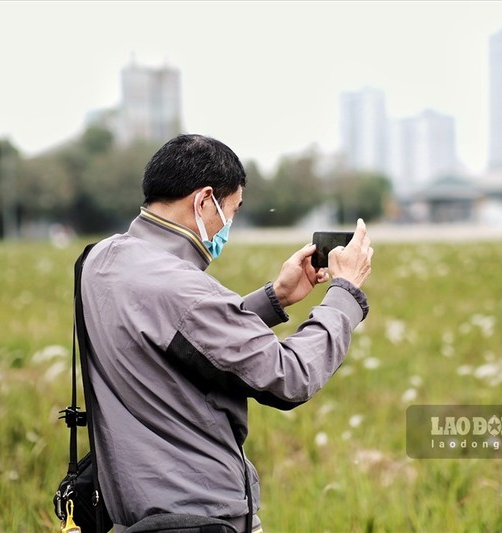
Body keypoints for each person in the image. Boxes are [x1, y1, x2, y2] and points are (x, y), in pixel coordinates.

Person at [81, 134, 373, 532]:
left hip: (130, 514)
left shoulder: (101, 259)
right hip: (197, 516)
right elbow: (289, 377)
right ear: (203, 201)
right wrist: (345, 294)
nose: (227, 226)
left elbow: (171, 335)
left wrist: (276, 298)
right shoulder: (183, 289)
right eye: (230, 211)